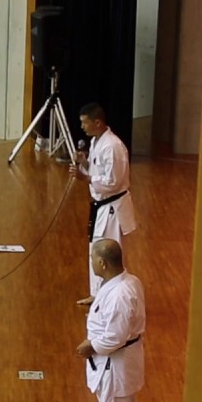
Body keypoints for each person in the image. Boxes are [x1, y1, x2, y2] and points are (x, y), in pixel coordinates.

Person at [77, 239, 145, 402]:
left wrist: (90, 346)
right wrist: (97, 301)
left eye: (94, 259)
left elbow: (115, 336)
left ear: (103, 263)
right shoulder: (127, 281)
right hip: (121, 360)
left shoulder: (119, 295)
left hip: (115, 361)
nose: (92, 263)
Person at [73, 103, 137, 303]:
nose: (82, 127)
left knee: (107, 252)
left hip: (112, 207)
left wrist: (87, 179)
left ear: (97, 122)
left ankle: (112, 295)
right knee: (96, 248)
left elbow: (112, 181)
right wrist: (85, 164)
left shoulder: (113, 146)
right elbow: (98, 170)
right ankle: (97, 293)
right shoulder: (96, 142)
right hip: (101, 205)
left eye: (85, 122)